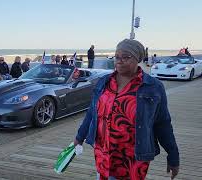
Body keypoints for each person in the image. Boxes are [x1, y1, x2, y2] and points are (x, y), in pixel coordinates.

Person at [74, 39, 179, 180]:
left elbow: (163, 123)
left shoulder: (153, 87)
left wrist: (173, 156)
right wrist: (79, 137)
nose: (119, 61)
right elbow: (92, 113)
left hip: (133, 157)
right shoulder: (103, 82)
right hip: (104, 153)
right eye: (117, 57)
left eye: (126, 57)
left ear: (137, 59)